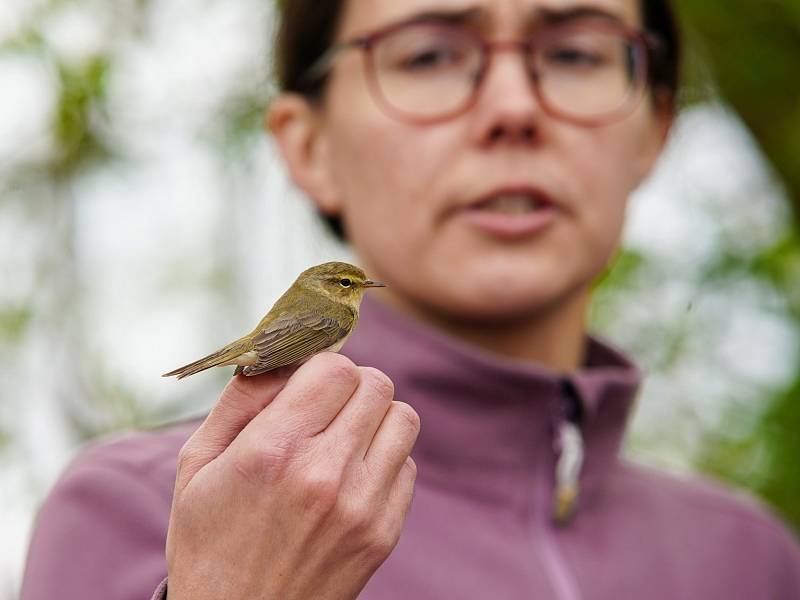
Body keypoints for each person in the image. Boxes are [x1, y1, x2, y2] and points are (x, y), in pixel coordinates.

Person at [20, 0, 800, 598]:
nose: (512, 109)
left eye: (573, 52)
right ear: (306, 144)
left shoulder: (751, 561)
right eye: (428, 55)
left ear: (656, 127)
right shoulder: (152, 509)